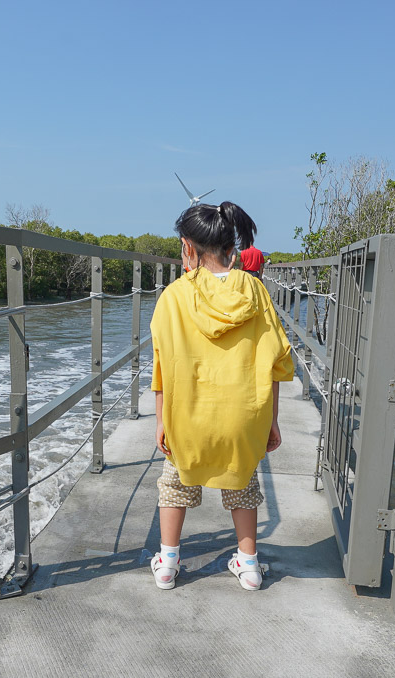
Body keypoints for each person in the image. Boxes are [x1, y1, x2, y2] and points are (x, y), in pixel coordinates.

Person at [149, 200, 294, 591]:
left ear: (188, 248)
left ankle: (168, 563)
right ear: (231, 247)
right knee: (242, 480)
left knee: (174, 484)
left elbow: (163, 365)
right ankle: (249, 566)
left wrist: (162, 420)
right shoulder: (255, 291)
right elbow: (276, 360)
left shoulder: (174, 295)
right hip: (243, 418)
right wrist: (271, 420)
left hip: (189, 419)